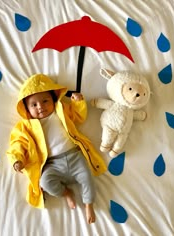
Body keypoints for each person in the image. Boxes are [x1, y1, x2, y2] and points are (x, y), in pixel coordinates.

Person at [7, 74, 107, 224]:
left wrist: (78, 103)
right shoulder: (25, 127)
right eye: (34, 105)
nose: (40, 106)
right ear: (26, 109)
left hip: (74, 156)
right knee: (45, 183)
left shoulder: (60, 111)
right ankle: (66, 193)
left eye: (45, 101)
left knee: (87, 177)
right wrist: (17, 159)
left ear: (53, 100)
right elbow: (17, 143)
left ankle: (89, 204)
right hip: (52, 164)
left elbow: (78, 117)